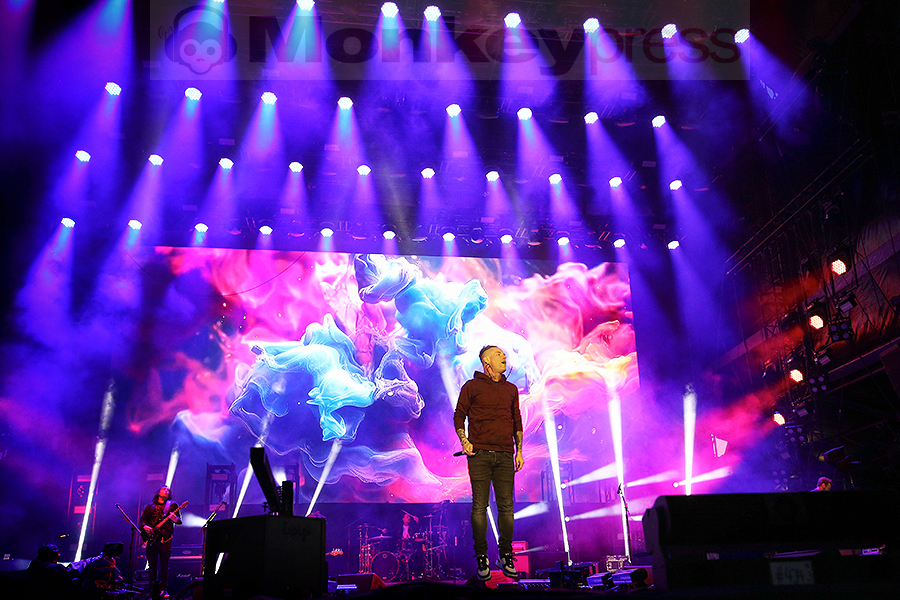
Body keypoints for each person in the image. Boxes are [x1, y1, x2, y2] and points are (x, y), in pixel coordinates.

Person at [454, 345, 524, 581]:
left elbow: (517, 421)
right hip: (480, 455)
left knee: (507, 508)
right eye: (498, 354)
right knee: (479, 507)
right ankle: (481, 556)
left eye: (503, 354)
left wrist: (519, 451)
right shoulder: (471, 387)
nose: (503, 356)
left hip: (505, 454)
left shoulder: (511, 389)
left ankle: (505, 555)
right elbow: (459, 415)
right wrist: (465, 441)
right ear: (486, 362)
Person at [140, 486, 182, 598]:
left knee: (164, 565)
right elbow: (143, 520)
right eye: (164, 489)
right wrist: (145, 527)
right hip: (152, 539)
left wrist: (174, 519)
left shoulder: (172, 505)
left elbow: (179, 521)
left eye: (168, 490)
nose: (166, 491)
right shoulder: (150, 506)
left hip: (165, 539)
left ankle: (164, 589)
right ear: (158, 492)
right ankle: (153, 589)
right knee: (152, 565)